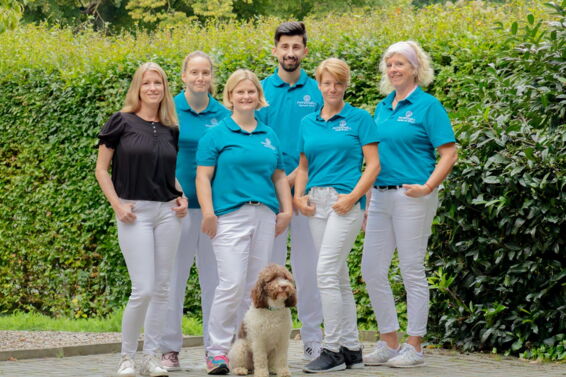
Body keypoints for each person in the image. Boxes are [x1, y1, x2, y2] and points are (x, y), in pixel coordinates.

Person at [361, 40, 458, 368]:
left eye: (400, 63)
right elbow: (375, 157)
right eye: (389, 64)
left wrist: (429, 186)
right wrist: (368, 197)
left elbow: (449, 153)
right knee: (371, 269)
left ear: (415, 68)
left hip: (411, 196)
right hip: (380, 196)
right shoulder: (381, 106)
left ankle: (414, 346)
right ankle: (390, 342)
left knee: (411, 269)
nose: (393, 69)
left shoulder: (428, 106)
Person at [196, 69, 293, 375]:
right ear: (230, 96)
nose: (246, 96)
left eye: (251, 92)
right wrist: (209, 213)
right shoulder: (216, 134)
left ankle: (248, 351)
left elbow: (279, 175)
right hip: (229, 216)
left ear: (258, 97)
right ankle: (217, 351)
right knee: (231, 283)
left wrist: (286, 209)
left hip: (264, 215)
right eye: (240, 92)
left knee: (255, 288)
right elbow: (203, 176)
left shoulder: (268, 134)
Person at [95, 62, 188, 377]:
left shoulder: (170, 128)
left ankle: (151, 358)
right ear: (138, 87)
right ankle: (126, 357)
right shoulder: (120, 122)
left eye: (158, 83)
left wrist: (182, 195)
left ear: (164, 89)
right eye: (147, 83)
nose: (153, 88)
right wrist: (117, 206)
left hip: (167, 214)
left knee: (162, 288)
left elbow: (168, 174)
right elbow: (101, 170)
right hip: (135, 213)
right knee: (144, 288)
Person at [294, 58, 380, 373]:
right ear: (319, 84)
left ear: (346, 85)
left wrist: (354, 198)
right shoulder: (308, 122)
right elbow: (303, 166)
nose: (333, 89)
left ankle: (331, 349)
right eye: (327, 83)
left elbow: (373, 165)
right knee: (339, 277)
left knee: (326, 273)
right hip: (316, 203)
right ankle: (353, 347)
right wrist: (297, 196)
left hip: (345, 202)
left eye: (339, 83)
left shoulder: (360, 119)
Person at [256, 21, 325, 361]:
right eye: (284, 47)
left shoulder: (317, 92)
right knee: (269, 273)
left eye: (296, 47)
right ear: (275, 50)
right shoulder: (260, 91)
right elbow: (256, 143)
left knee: (309, 272)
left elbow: (319, 143)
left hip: (306, 195)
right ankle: (266, 345)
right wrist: (281, 186)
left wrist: (295, 182)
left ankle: (313, 341)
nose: (290, 53)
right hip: (271, 196)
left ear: (305, 51)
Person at [160, 51, 230, 371]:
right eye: (194, 72)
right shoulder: (170, 109)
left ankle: (214, 348)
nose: (200, 78)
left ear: (211, 76)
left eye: (206, 72)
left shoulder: (224, 113)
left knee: (215, 282)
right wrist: (173, 192)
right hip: (178, 207)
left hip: (214, 211)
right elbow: (159, 155)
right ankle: (169, 348)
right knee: (174, 278)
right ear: (184, 75)